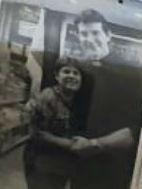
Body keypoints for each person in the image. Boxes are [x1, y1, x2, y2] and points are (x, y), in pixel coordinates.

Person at [68, 10, 142, 189]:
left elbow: (136, 129)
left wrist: (94, 144)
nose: (88, 38)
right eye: (83, 33)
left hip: (112, 165)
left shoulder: (132, 74)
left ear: (108, 35)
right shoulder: (80, 69)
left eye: (95, 33)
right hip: (79, 163)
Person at [23, 58, 87, 189]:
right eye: (66, 71)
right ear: (57, 76)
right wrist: (67, 143)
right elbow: (34, 132)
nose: (71, 76)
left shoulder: (77, 99)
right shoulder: (48, 97)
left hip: (60, 160)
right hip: (40, 158)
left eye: (76, 73)